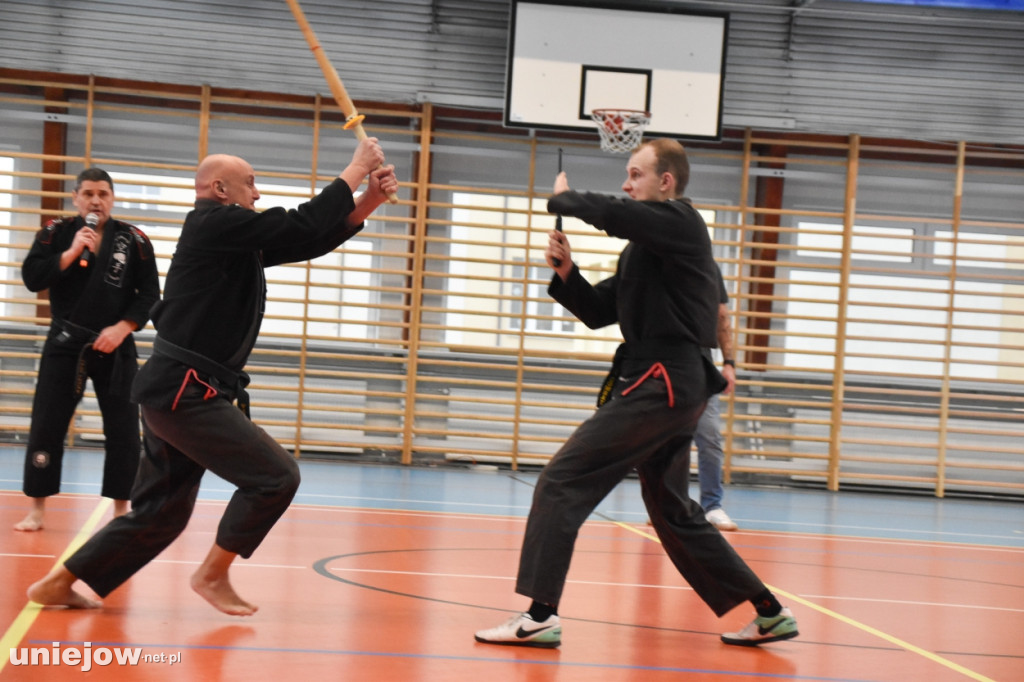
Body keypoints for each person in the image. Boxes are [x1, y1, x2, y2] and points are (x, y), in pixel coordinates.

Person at [27, 138, 398, 616]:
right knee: (275, 477)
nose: (258, 194)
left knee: (161, 513)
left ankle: (58, 583)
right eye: (251, 185)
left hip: (176, 390)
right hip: (186, 392)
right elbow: (300, 221)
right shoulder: (213, 223)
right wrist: (354, 169)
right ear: (221, 189)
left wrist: (367, 199)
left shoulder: (227, 238)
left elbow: (305, 240)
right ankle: (212, 573)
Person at [474, 139, 797, 648]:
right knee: (671, 510)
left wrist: (566, 199)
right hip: (670, 384)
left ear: (665, 181)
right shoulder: (647, 250)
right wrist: (566, 274)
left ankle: (539, 616)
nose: (627, 183)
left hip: (663, 381)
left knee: (562, 481)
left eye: (635, 174)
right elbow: (602, 310)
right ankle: (769, 610)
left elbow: (616, 213)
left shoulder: (682, 222)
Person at [15, 168, 159, 532]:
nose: (97, 200)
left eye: (104, 194)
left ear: (112, 198)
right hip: (66, 342)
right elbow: (33, 278)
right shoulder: (55, 234)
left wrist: (123, 328)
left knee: (124, 429)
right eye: (89, 193)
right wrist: (72, 251)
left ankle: (121, 509)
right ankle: (37, 510)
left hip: (115, 343)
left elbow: (150, 296)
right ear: (76, 197)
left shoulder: (135, 240)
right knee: (47, 425)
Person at [697, 270, 738, 532]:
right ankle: (667, 505)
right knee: (665, 442)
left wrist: (729, 363)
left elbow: (721, 315)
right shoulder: (654, 257)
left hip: (700, 368)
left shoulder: (706, 266)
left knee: (709, 437)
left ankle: (712, 506)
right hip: (661, 365)